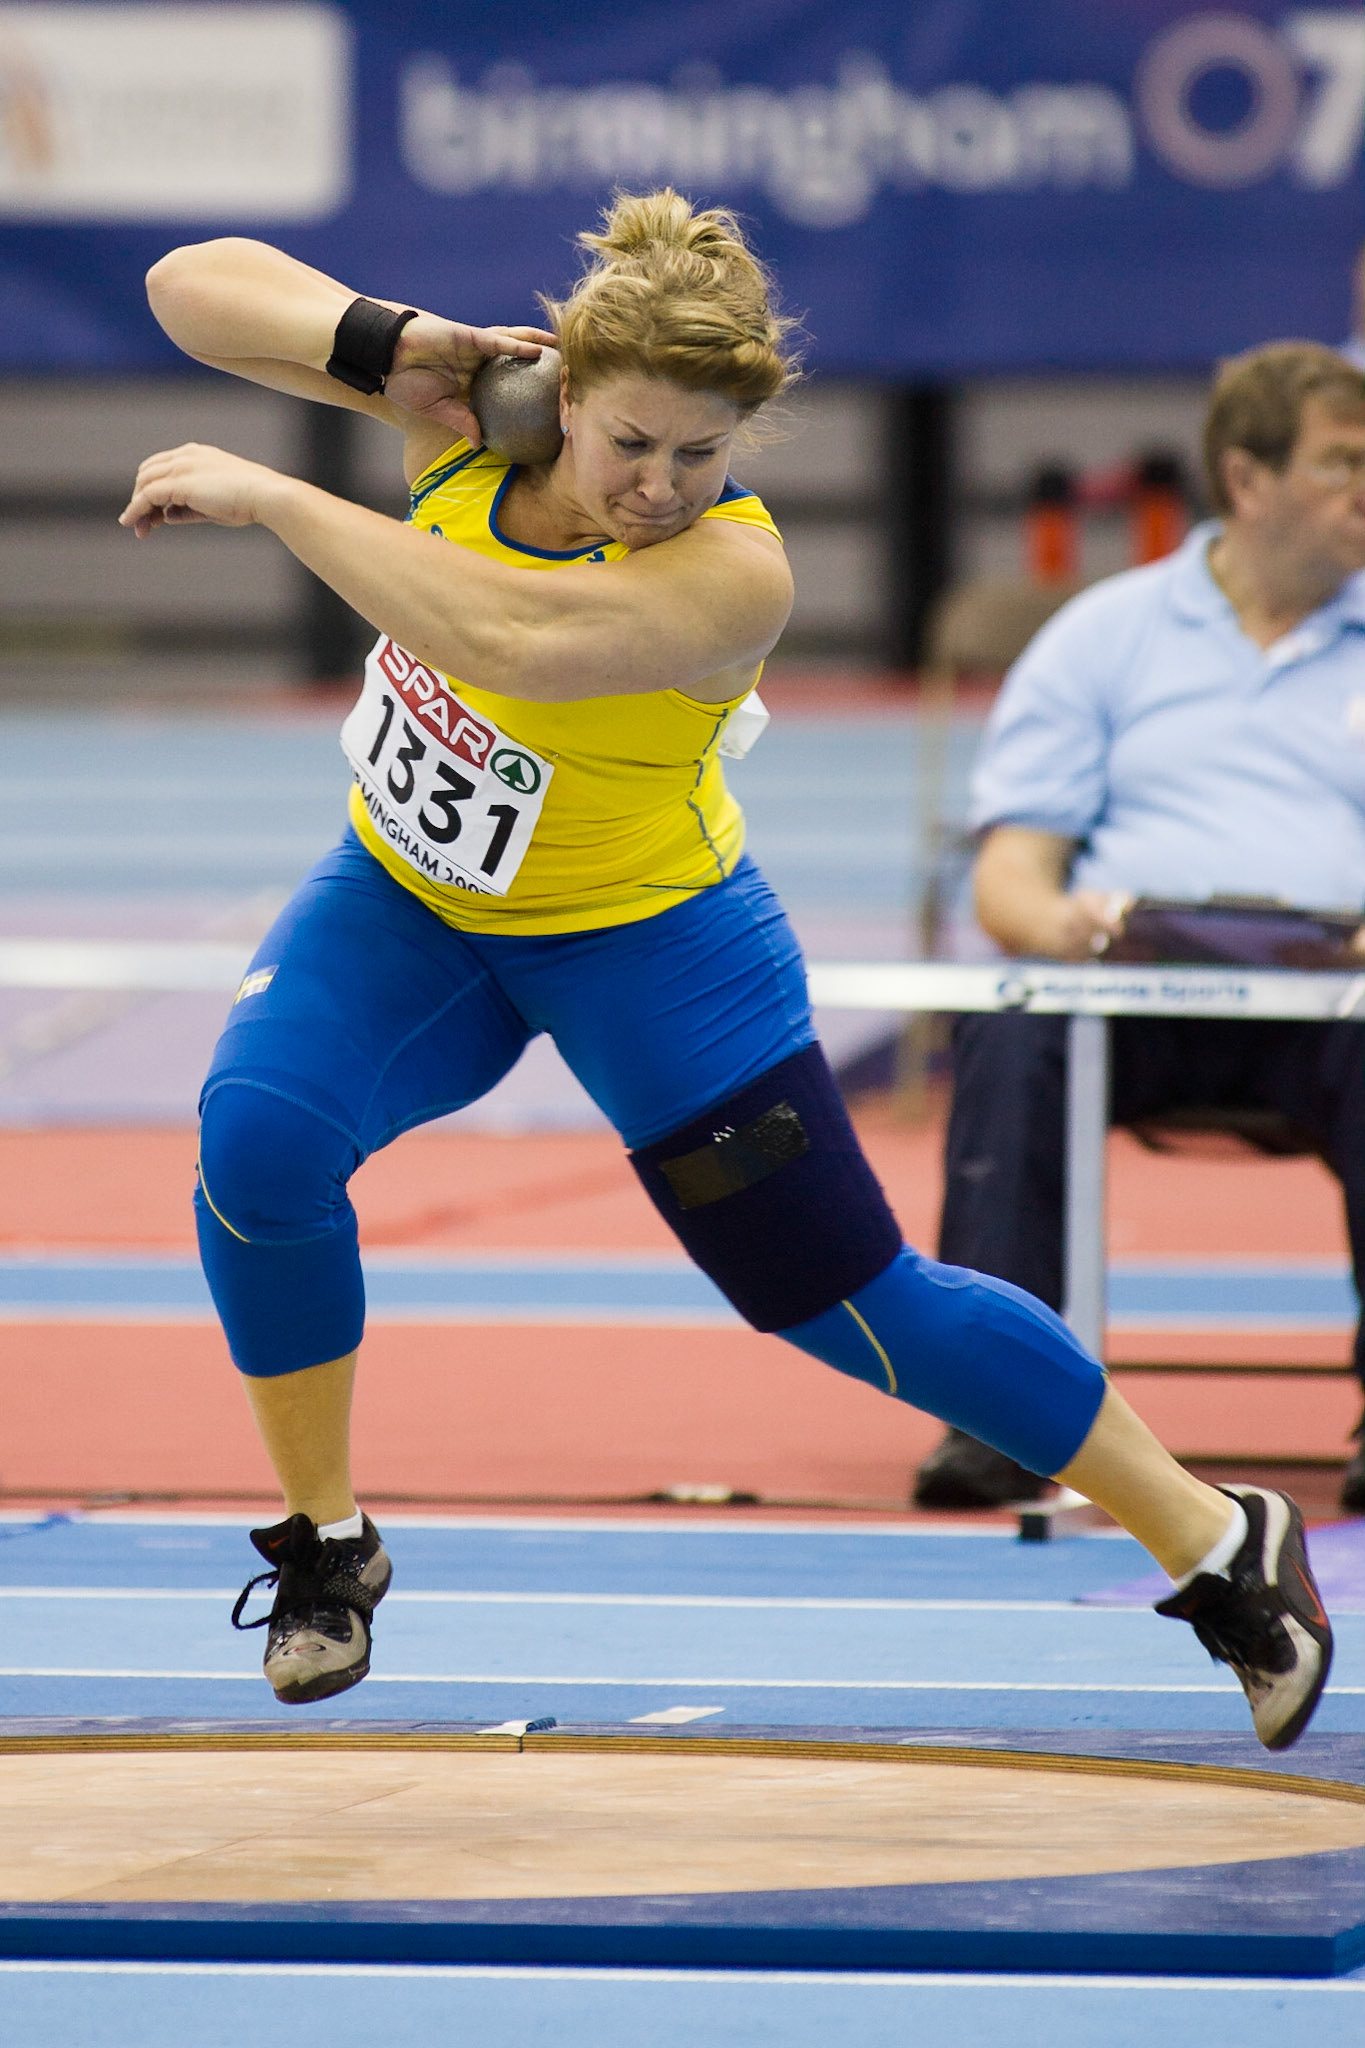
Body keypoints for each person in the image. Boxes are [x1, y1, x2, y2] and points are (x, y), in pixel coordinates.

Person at [120, 195, 1332, 1751]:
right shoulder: (472, 413)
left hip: (653, 945)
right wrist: (388, 345)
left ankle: (1219, 1542)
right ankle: (326, 1546)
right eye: (630, 444)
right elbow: (183, 286)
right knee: (257, 1143)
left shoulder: (734, 578)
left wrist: (281, 498)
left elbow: (513, 640)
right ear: (559, 394)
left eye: (701, 456)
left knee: (836, 1299)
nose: (658, 488)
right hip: (412, 905)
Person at [915, 342, 1365, 1519]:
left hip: (1337, 1007)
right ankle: (1001, 1412)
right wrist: (1066, 927)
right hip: (1138, 996)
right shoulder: (1104, 635)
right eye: (1343, 464)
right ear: (1248, 477)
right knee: (1014, 1024)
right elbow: (1011, 875)